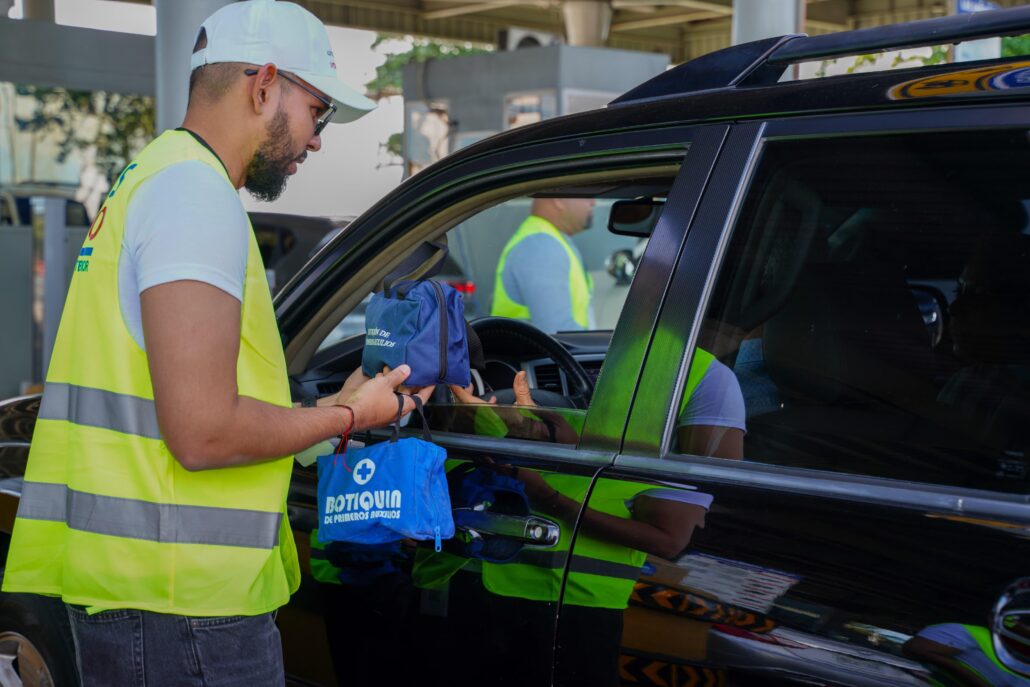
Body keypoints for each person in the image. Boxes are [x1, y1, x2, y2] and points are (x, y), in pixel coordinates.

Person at [1, 2, 432, 685]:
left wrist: (330, 414)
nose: (317, 139)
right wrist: (351, 417)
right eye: (317, 110)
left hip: (149, 599)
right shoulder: (193, 197)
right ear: (264, 85)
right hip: (181, 612)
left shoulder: (154, 178)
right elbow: (201, 432)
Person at [491, 197, 597, 333]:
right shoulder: (541, 247)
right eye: (585, 192)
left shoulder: (548, 240)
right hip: (535, 354)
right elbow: (559, 335)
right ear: (559, 199)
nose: (593, 201)